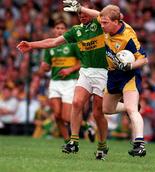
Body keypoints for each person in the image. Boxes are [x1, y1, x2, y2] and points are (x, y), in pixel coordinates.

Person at [17, 1, 109, 160]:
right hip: (86, 72)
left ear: (90, 11)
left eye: (84, 12)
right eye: (79, 13)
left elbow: (106, 16)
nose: (82, 15)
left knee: (97, 112)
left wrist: (83, 8)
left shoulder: (100, 24)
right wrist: (31, 44)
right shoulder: (76, 30)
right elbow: (52, 42)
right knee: (76, 103)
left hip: (102, 72)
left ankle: (102, 145)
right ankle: (73, 141)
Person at [63, 2, 148, 157]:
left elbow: (144, 59)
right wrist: (80, 9)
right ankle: (131, 106)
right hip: (112, 75)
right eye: (101, 22)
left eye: (105, 23)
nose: (101, 25)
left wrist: (130, 65)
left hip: (128, 75)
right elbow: (100, 15)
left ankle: (139, 144)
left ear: (115, 22)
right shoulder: (107, 26)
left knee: (132, 109)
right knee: (106, 109)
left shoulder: (127, 36)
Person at [38, 20, 80, 144]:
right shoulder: (50, 46)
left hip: (69, 82)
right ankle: (68, 142)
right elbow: (46, 66)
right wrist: (44, 66)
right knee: (57, 115)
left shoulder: (72, 44)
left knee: (66, 118)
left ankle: (86, 125)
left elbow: (82, 62)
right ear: (53, 30)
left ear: (66, 31)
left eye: (62, 28)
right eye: (57, 28)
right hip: (55, 82)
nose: (60, 30)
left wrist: (70, 69)